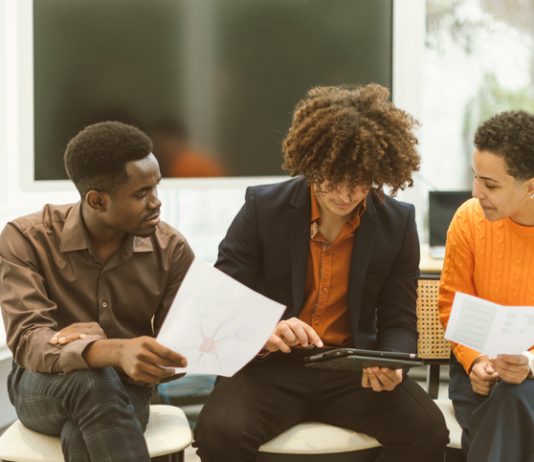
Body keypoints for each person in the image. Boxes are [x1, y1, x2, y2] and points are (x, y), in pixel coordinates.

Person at [194, 84, 449, 462]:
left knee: (427, 430)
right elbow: (223, 300)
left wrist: (391, 361)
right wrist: (265, 329)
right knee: (218, 434)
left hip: (352, 369)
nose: (345, 194)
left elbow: (398, 317)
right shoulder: (263, 208)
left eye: (360, 182)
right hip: (269, 368)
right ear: (312, 163)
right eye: (333, 179)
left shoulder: (397, 222)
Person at [0, 121, 194, 462]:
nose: (156, 203)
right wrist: (108, 351)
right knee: (92, 381)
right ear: (97, 200)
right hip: (42, 384)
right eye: (141, 194)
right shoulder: (26, 239)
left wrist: (167, 358)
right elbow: (29, 339)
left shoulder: (172, 248)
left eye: (156, 188)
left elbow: (182, 344)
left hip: (127, 388)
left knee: (82, 431)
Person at [439, 110, 534, 462]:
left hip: (529, 378)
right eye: (476, 178)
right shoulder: (468, 219)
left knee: (514, 398)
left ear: (531, 186)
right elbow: (451, 306)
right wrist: (476, 360)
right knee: (508, 400)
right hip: (477, 375)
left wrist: (528, 363)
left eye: (491, 185)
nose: (476, 191)